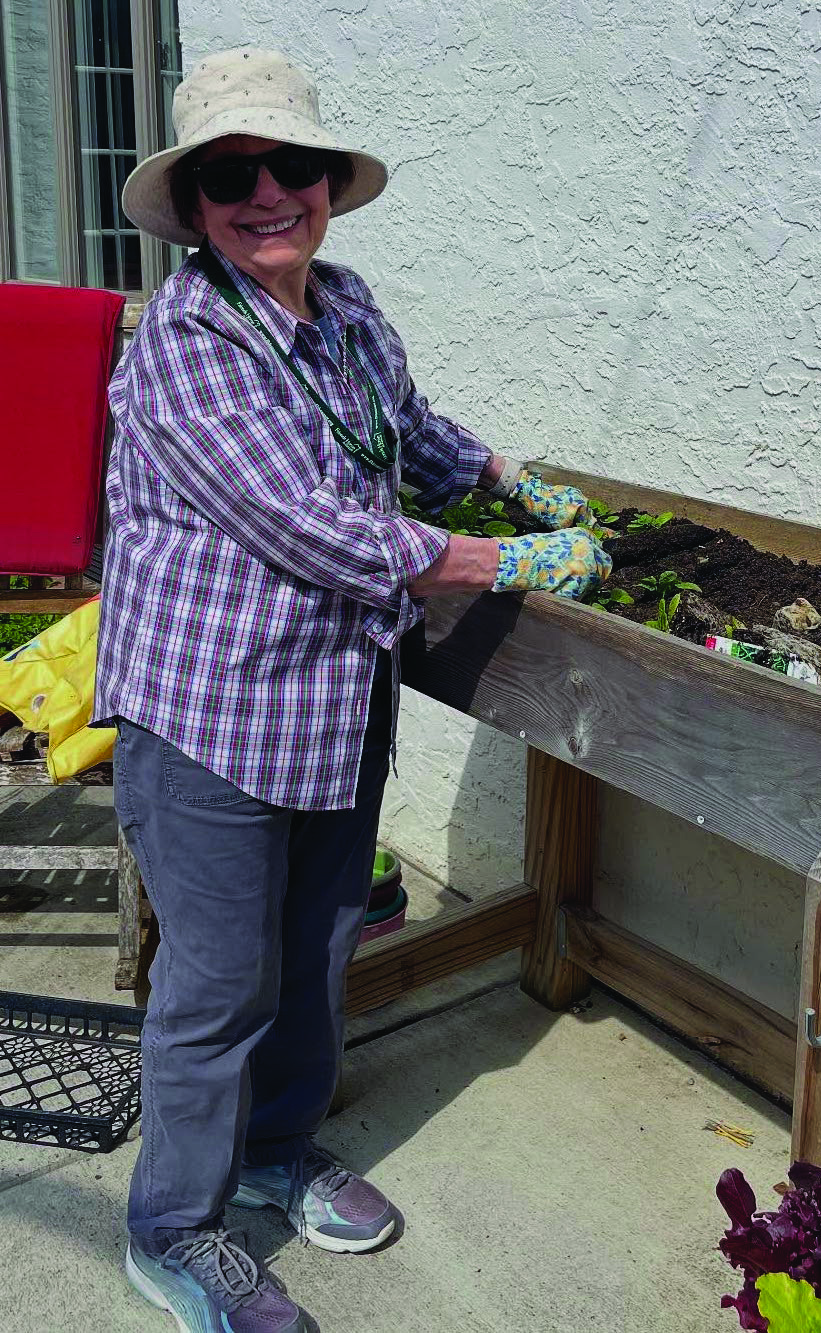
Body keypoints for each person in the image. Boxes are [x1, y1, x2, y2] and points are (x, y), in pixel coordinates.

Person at [94, 46, 611, 1333]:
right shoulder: (186, 346)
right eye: (233, 173)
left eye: (297, 167)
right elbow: (321, 526)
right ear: (196, 202)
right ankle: (173, 1229)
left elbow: (408, 434)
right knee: (218, 986)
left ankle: (274, 1153)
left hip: (329, 706)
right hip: (212, 714)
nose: (270, 193)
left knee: (318, 956)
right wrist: (512, 556)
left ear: (331, 184)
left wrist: (511, 475)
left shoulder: (351, 308)